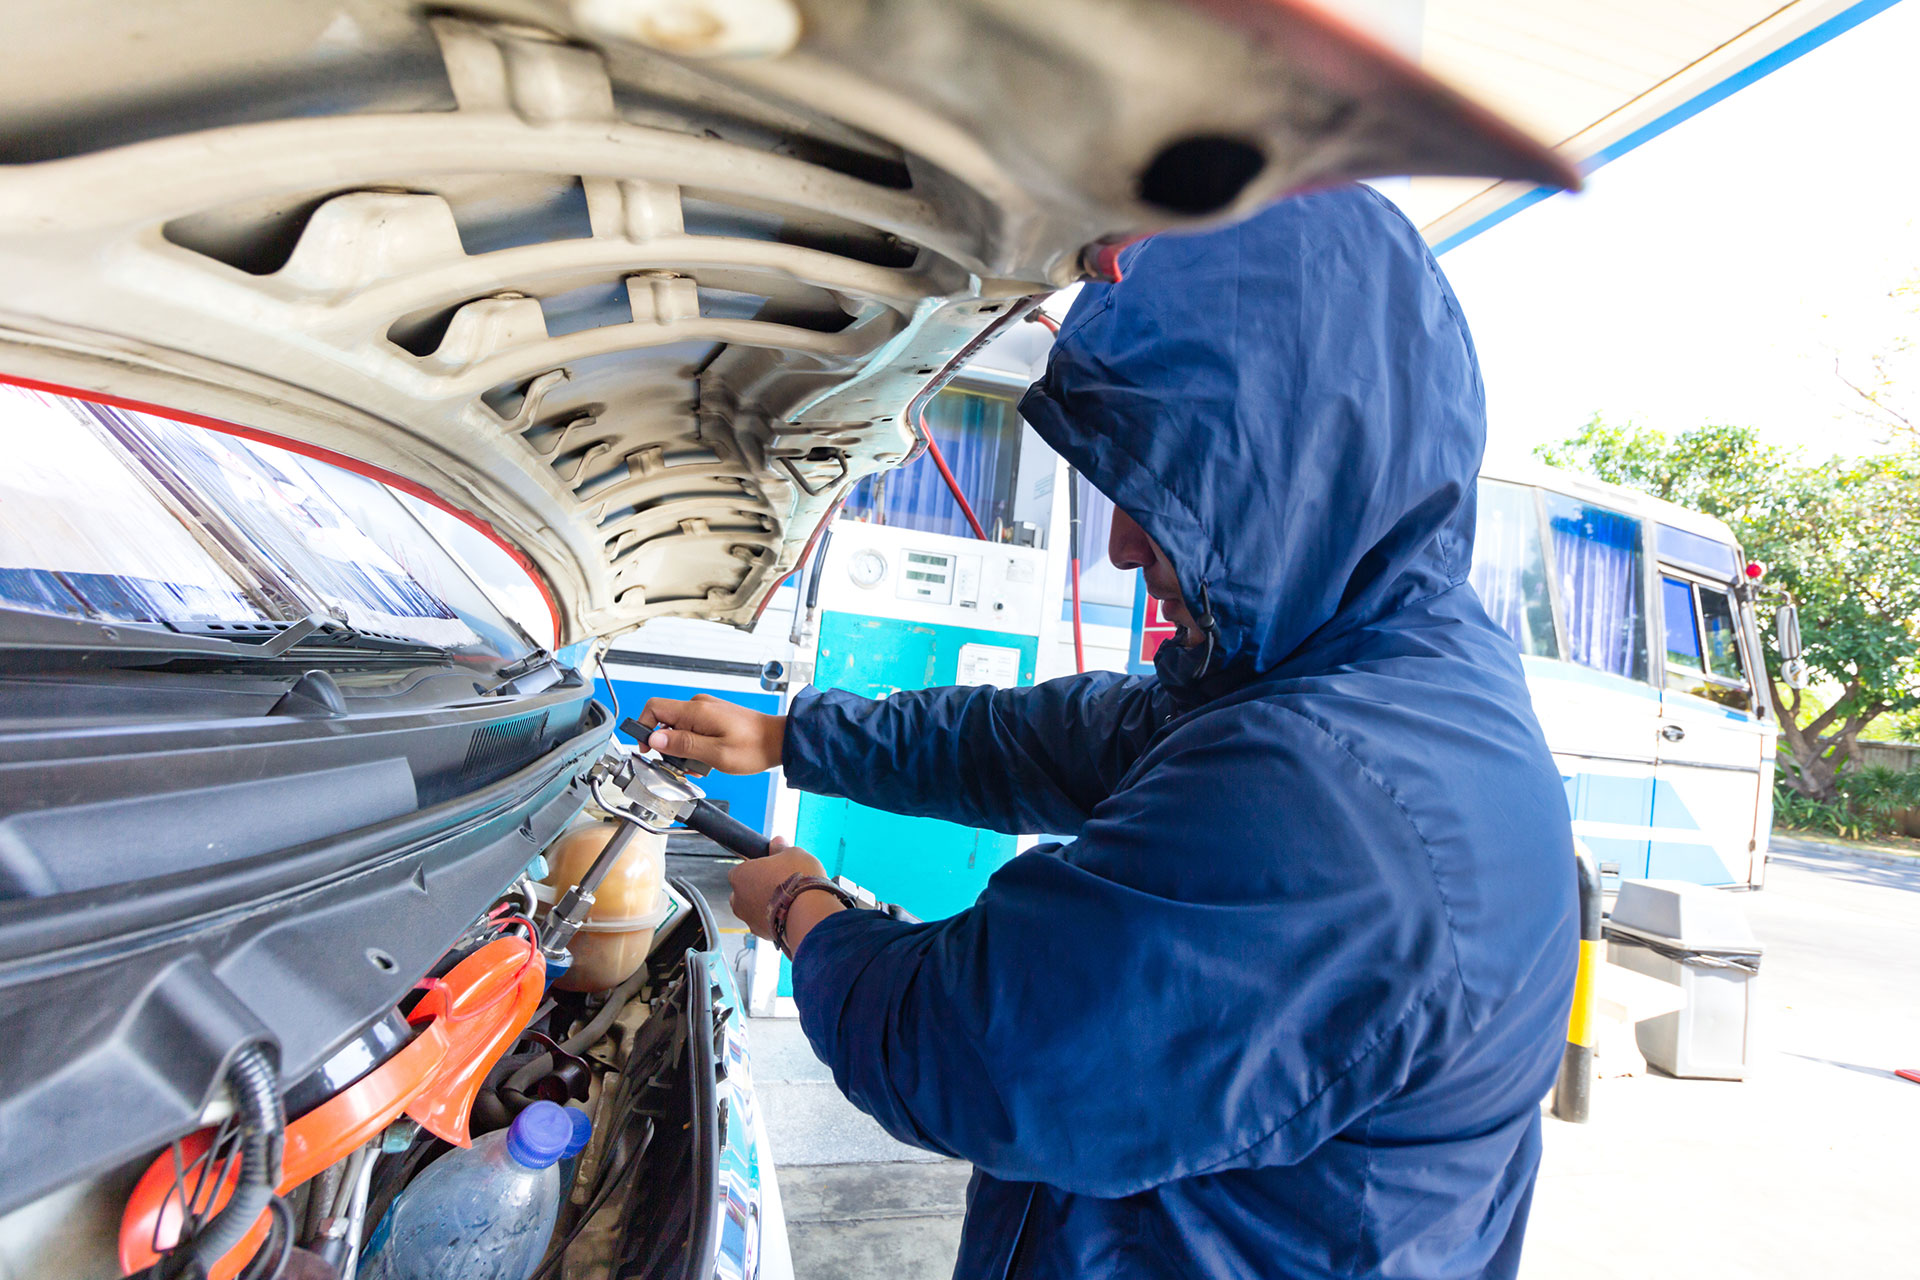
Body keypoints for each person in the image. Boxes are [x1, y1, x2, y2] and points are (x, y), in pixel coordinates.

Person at [642, 185, 1577, 1279]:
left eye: (1165, 487)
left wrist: (807, 916)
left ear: (1286, 468)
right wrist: (796, 739)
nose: (1125, 545)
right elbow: (1059, 738)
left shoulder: (1326, 791)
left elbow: (985, 1049)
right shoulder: (1377, 668)